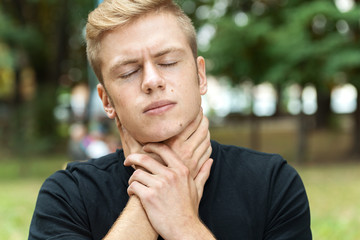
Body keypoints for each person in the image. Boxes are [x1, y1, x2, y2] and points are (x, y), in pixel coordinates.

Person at [29, 0, 312, 239]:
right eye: (128, 72)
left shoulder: (273, 183)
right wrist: (151, 196)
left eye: (167, 62)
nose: (152, 81)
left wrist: (183, 224)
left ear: (200, 76)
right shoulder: (66, 196)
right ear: (107, 101)